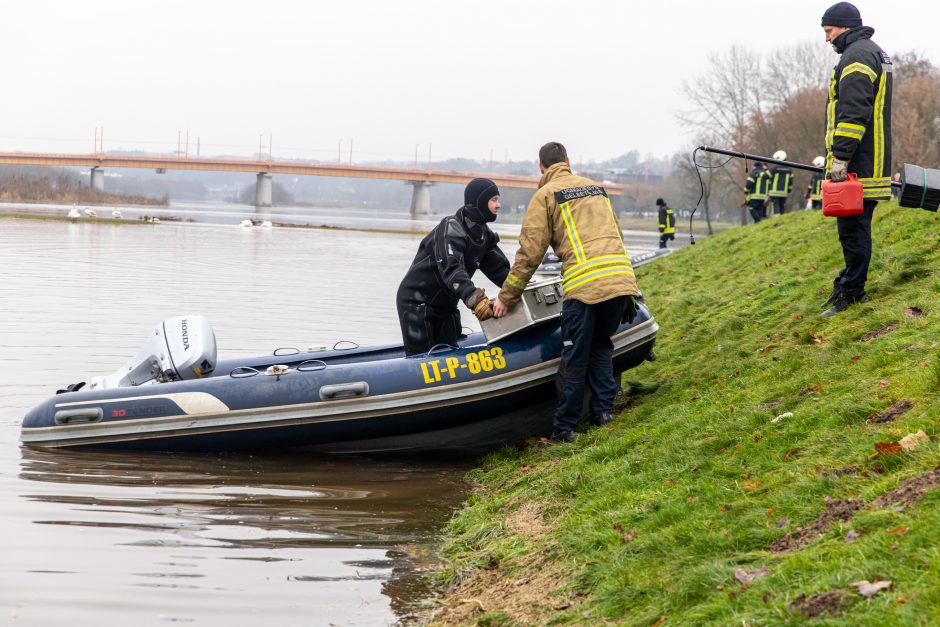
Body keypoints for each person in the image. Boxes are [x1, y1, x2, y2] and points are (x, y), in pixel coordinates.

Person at [492, 142, 639, 443]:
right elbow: (617, 237)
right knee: (601, 345)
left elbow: (529, 254)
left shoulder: (545, 195)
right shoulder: (597, 189)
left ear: (542, 168)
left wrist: (506, 298)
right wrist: (629, 287)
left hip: (584, 287)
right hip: (620, 279)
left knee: (574, 354)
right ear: (568, 161)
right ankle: (603, 414)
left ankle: (565, 429)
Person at [820, 2, 892, 318]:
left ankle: (852, 294)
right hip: (866, 162)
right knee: (853, 230)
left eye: (829, 31)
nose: (827, 39)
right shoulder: (870, 51)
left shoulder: (857, 56)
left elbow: (853, 113)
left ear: (844, 28)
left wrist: (840, 158)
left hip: (858, 166)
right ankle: (846, 282)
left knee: (853, 230)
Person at [396, 178, 510, 356]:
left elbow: (501, 272)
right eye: (493, 200)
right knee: (424, 363)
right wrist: (475, 299)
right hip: (417, 303)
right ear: (479, 202)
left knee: (450, 354)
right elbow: (452, 268)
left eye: (498, 200)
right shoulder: (451, 227)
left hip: (446, 307)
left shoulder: (483, 235)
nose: (498, 205)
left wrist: (517, 289)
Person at [768, 150, 794, 215]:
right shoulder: (789, 169)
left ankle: (777, 221)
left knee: (776, 207)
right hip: (784, 193)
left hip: (774, 192)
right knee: (782, 207)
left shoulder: (774, 168)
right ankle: (782, 219)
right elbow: (790, 182)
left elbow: (766, 176)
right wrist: (789, 190)